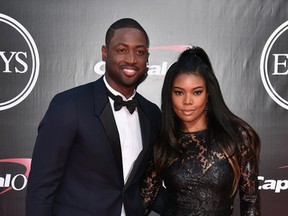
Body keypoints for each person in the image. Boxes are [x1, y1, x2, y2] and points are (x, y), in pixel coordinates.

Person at [26, 18, 161, 216]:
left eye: (139, 52)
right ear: (105, 53)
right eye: (122, 50)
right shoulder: (69, 105)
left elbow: (145, 185)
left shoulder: (152, 113)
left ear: (147, 58)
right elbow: (41, 188)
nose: (131, 59)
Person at [141, 46, 260, 216]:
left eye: (197, 92)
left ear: (208, 94)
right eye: (179, 92)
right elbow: (143, 202)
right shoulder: (163, 142)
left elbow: (251, 203)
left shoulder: (237, 137)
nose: (187, 101)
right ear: (169, 95)